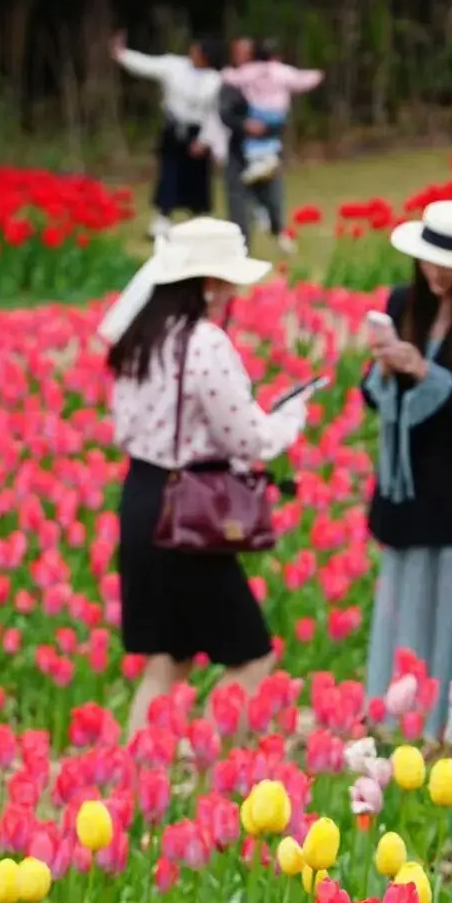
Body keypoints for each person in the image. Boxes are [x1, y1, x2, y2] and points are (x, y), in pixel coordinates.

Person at [100, 217, 309, 737]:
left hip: (143, 496)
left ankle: (136, 776)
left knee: (167, 661)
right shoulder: (203, 344)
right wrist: (290, 419)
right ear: (210, 283)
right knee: (251, 656)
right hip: (190, 511)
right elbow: (247, 439)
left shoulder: (140, 339)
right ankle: (205, 762)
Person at [362, 200, 452, 741]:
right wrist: (383, 368)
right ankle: (390, 717)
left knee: (449, 602)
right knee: (402, 600)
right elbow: (377, 399)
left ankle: (437, 726)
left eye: (450, 264)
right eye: (430, 261)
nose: (437, 272)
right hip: (405, 483)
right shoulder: (404, 304)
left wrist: (425, 371)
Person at [112, 32, 223, 238]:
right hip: (173, 129)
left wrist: (205, 140)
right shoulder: (175, 66)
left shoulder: (215, 80)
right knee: (169, 174)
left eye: (198, 51)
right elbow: (148, 65)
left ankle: (200, 221)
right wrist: (122, 55)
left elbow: (214, 114)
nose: (193, 53)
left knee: (197, 178)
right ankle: (162, 221)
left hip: (197, 131)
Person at [219, 36, 316, 253]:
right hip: (239, 147)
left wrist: (267, 127)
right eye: (238, 52)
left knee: (272, 193)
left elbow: (280, 111)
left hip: (268, 144)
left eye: (246, 52)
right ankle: (241, 247)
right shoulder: (233, 82)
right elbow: (224, 113)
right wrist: (245, 125)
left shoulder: (271, 76)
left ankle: (279, 230)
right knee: (237, 198)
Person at [222, 39, 323, 186]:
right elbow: (301, 80)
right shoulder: (282, 71)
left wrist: (224, 71)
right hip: (277, 115)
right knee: (270, 139)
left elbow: (233, 78)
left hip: (258, 113)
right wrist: (317, 75)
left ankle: (262, 164)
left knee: (253, 143)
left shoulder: (250, 71)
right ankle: (266, 162)